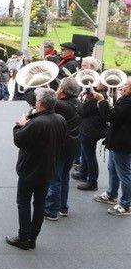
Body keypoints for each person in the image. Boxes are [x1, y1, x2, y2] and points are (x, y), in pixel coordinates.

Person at [6, 88, 66, 250]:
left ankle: (23, 237)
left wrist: (19, 125)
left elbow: (19, 139)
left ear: (39, 103)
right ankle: (32, 238)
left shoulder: (38, 123)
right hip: (48, 169)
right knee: (39, 204)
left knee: (23, 203)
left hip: (30, 169)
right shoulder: (60, 119)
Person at [44, 78, 81, 220]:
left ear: (64, 92)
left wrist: (46, 91)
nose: (57, 89)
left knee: (55, 178)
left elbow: (35, 98)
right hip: (73, 146)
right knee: (64, 177)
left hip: (61, 146)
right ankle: (62, 207)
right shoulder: (77, 103)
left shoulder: (60, 105)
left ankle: (51, 210)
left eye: (59, 87)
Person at [92, 79, 131, 215]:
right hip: (117, 141)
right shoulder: (125, 99)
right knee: (112, 169)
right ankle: (111, 194)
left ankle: (126, 204)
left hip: (123, 143)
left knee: (125, 174)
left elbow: (110, 116)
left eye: (126, 85)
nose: (122, 86)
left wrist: (102, 100)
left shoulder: (128, 102)